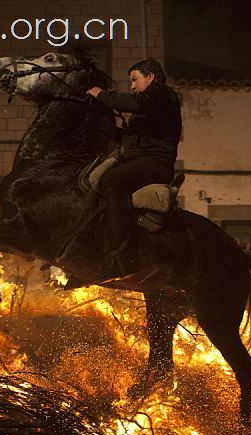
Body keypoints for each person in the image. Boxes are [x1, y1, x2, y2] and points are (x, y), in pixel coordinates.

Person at [86, 59, 182, 280]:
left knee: (112, 180)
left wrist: (102, 95)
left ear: (150, 77)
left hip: (155, 163)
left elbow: (134, 103)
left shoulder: (161, 94)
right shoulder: (151, 106)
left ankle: (121, 253)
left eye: (134, 79)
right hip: (141, 160)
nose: (132, 86)